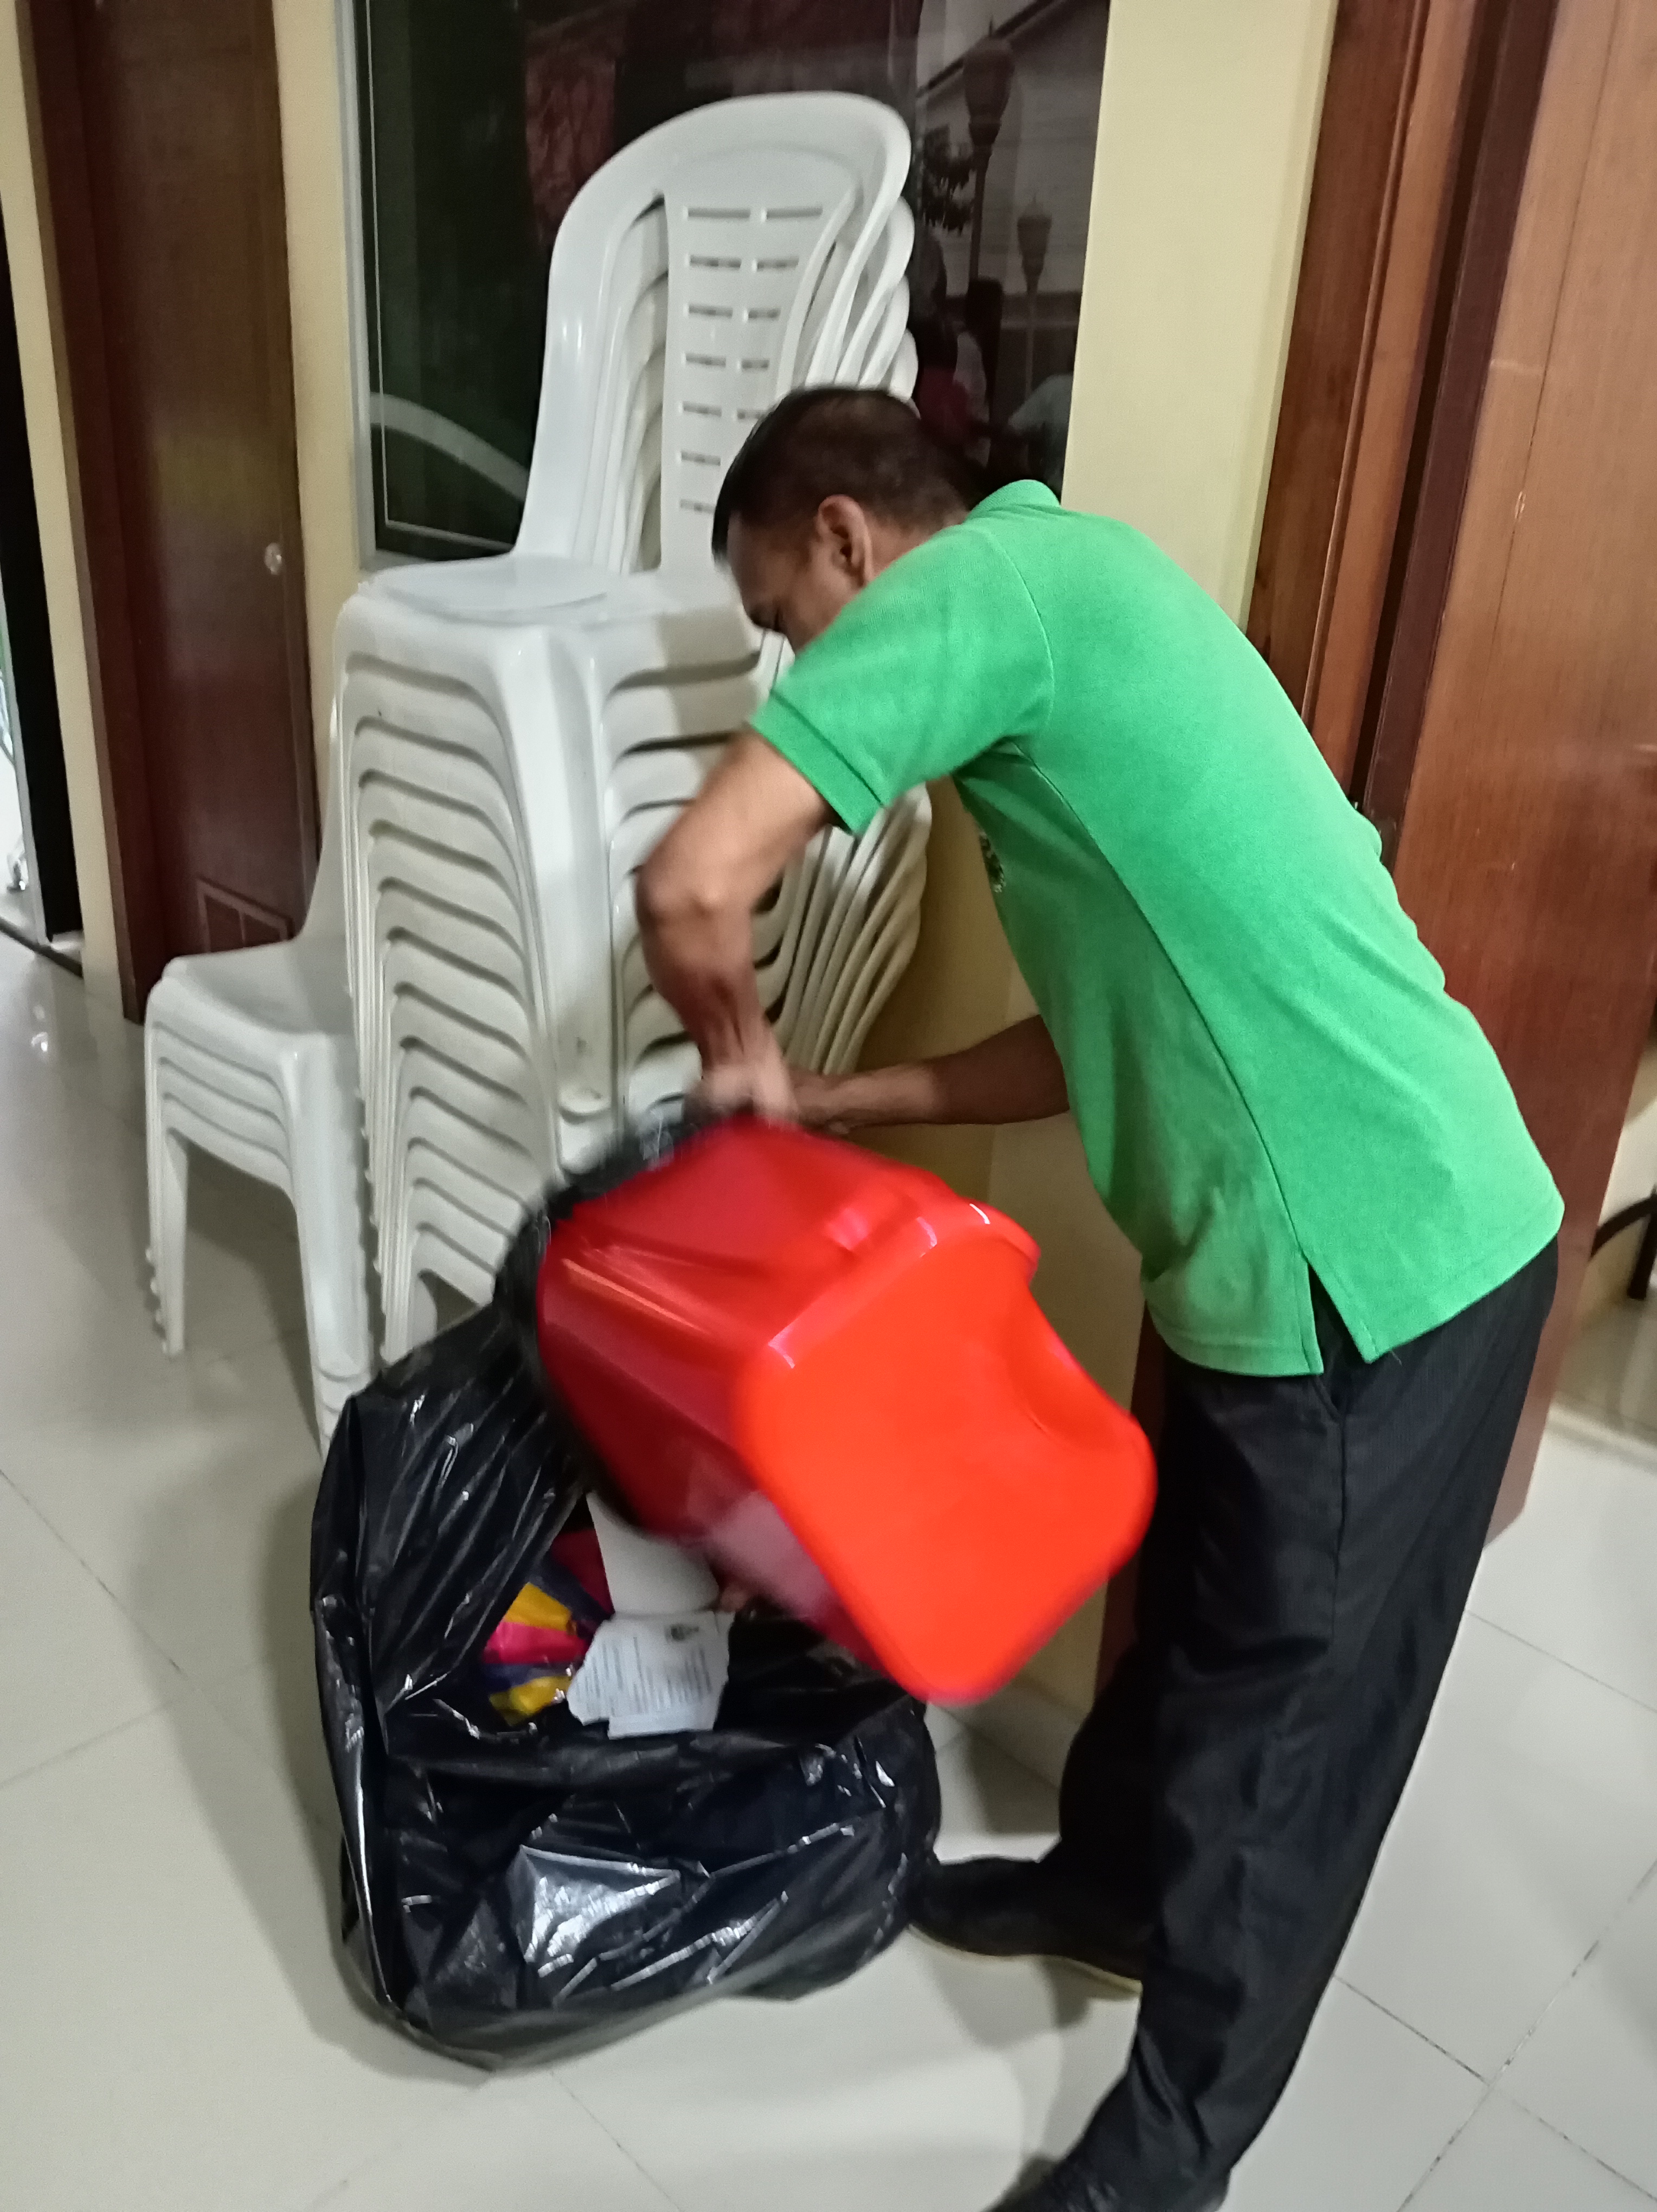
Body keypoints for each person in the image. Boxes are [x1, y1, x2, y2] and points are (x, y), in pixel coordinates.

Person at [634, 387, 1562, 2212]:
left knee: (1280, 1737)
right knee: (1194, 1627)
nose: (803, 666)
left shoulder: (984, 592)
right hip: (1284, 1267)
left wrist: (732, 1058)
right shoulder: (1073, 611)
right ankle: (1110, 1890)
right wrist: (834, 1098)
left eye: (789, 619)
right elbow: (1087, 1041)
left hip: (1386, 1270)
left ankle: (1170, 2156)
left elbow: (691, 883)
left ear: (849, 539)